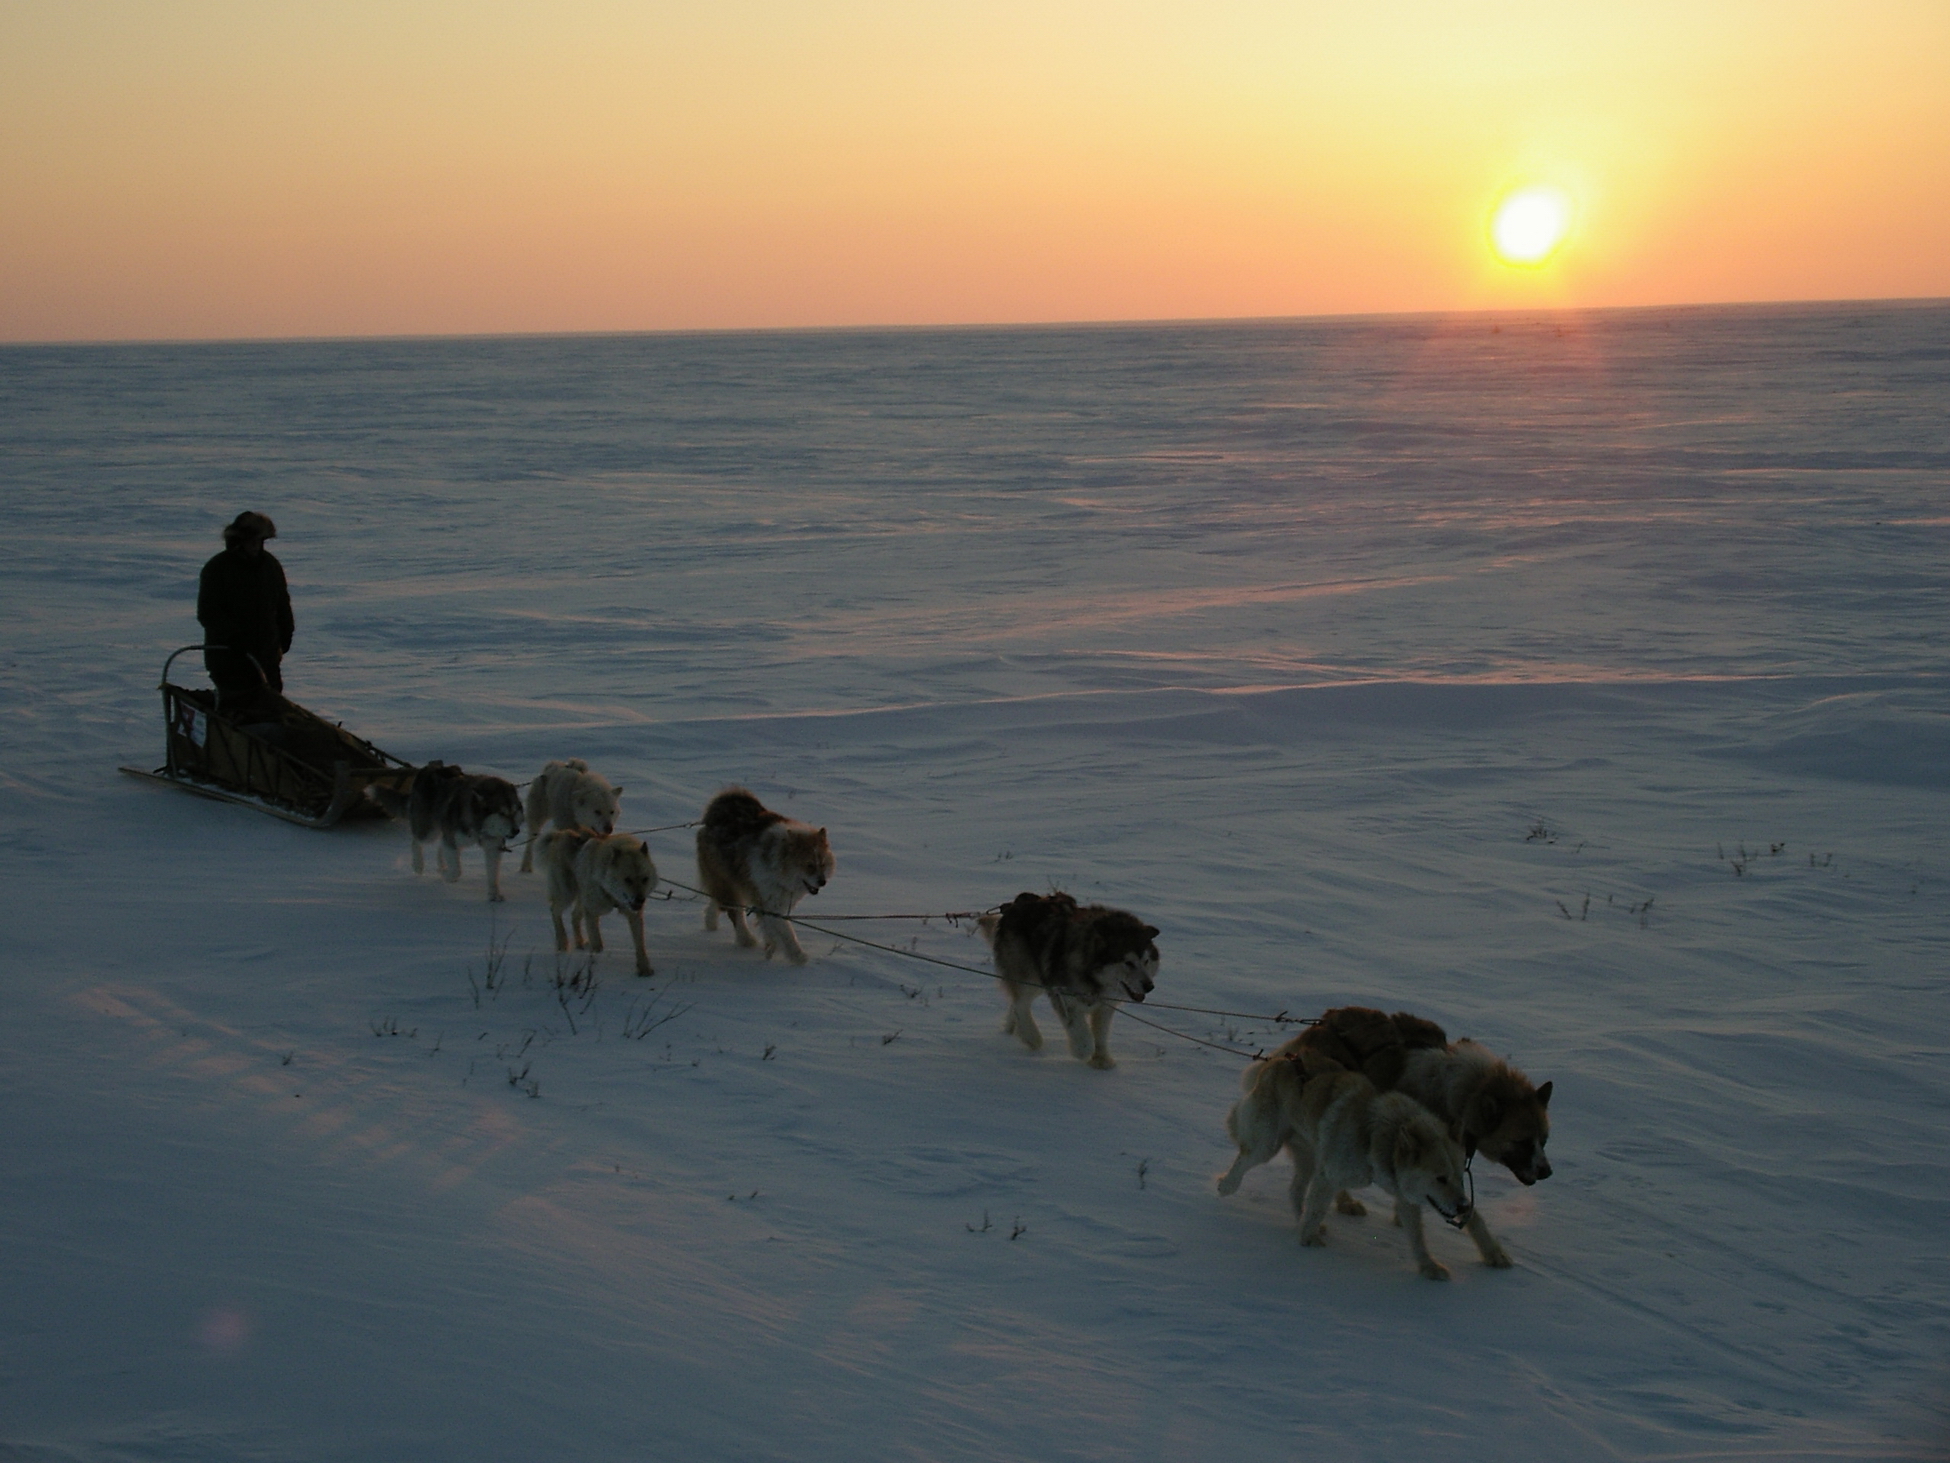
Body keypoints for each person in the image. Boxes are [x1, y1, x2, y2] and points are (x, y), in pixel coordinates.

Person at [197, 511, 294, 708]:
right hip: (229, 660)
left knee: (271, 707)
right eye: (253, 541)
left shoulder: (270, 565)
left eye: (261, 541)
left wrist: (286, 632)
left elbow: (282, 603)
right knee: (238, 710)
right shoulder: (217, 568)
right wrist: (232, 636)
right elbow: (208, 612)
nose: (257, 547)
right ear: (239, 541)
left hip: (267, 659)